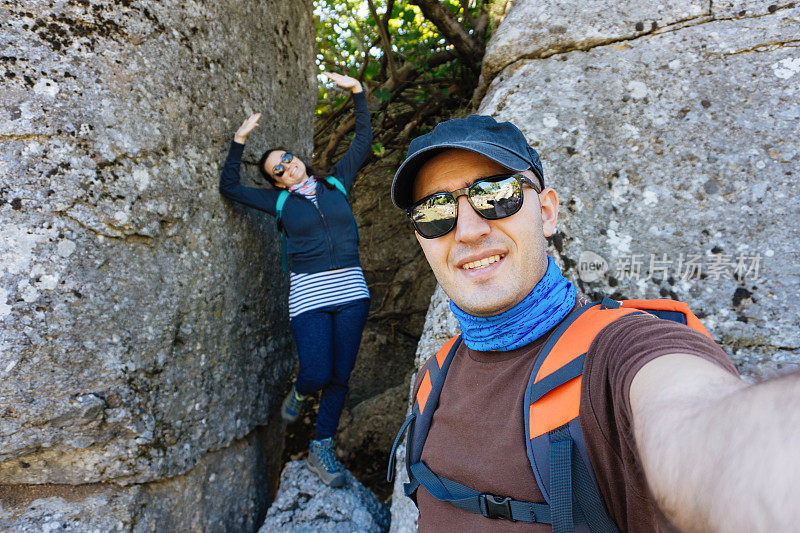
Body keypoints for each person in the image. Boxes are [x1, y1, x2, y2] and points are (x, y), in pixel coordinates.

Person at [388, 115, 800, 531]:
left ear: (546, 213)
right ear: (422, 238)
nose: (468, 231)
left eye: (497, 194)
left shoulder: (620, 351)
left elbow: (706, 430)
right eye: (434, 211)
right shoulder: (434, 379)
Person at [219, 72, 371, 488]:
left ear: (298, 158)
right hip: (310, 297)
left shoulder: (336, 183)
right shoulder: (279, 202)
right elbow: (229, 187)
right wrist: (239, 140)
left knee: (340, 377)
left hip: (353, 294)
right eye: (277, 169)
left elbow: (363, 141)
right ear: (274, 181)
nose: (287, 166)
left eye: (287, 158)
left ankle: (321, 448)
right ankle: (302, 391)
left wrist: (357, 92)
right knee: (317, 372)